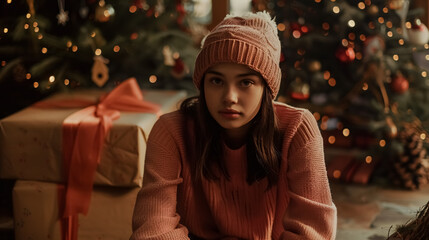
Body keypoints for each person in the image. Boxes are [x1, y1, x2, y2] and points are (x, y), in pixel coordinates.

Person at [131, 11, 337, 240]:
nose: (229, 97)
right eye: (217, 81)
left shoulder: (298, 129)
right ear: (202, 84)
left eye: (246, 82)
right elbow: (153, 230)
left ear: (266, 90)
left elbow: (313, 232)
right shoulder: (171, 131)